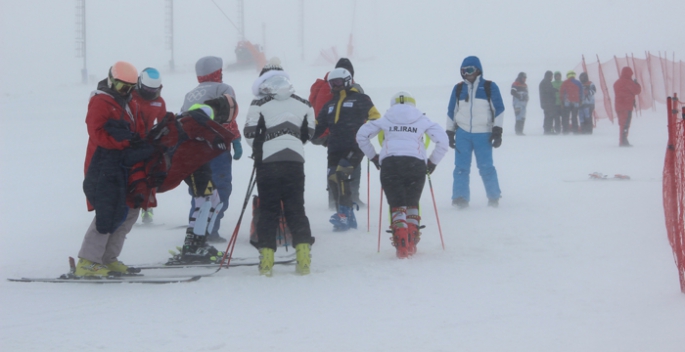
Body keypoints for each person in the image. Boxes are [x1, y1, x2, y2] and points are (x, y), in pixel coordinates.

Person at [76, 61, 155, 276]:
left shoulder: (131, 103)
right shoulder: (101, 101)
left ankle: (108, 258)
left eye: (131, 88)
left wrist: (141, 143)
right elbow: (97, 133)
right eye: (122, 87)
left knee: (128, 210)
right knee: (108, 210)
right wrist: (125, 143)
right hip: (103, 165)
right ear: (111, 81)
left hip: (125, 164)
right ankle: (87, 261)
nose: (127, 92)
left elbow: (138, 130)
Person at [244, 58, 316, 276]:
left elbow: (249, 134)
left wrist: (264, 146)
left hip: (268, 164)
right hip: (295, 162)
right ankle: (303, 257)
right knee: (296, 209)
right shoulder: (304, 103)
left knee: (268, 211)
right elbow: (309, 134)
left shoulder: (259, 104)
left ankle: (266, 262)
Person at [356, 92, 449, 258]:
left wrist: (374, 157)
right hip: (416, 164)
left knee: (397, 204)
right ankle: (412, 238)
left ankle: (401, 242)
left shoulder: (385, 119)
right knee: (412, 203)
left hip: (391, 164)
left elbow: (361, 135)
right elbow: (443, 140)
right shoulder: (422, 120)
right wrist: (432, 162)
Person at [181, 56, 242, 243]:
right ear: (216, 72)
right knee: (220, 189)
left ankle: (196, 230)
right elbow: (228, 117)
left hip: (193, 151)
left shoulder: (190, 95)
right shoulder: (222, 88)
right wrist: (236, 140)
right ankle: (210, 230)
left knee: (200, 191)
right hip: (217, 149)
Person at [312, 67, 380, 231]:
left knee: (341, 174)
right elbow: (317, 128)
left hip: (354, 146)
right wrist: (304, 132)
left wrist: (363, 137)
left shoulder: (360, 99)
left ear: (348, 81)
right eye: (331, 84)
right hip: (334, 148)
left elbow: (376, 119)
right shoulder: (330, 104)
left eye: (337, 82)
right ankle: (344, 215)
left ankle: (345, 214)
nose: (335, 87)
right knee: (333, 178)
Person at [175, 95, 239, 264]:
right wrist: (214, 138)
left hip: (197, 162)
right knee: (203, 200)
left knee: (214, 198)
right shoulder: (205, 111)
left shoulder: (203, 112)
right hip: (190, 163)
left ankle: (200, 241)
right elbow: (193, 126)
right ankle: (192, 245)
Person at [445, 56, 505, 209]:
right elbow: (451, 111)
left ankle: (493, 197)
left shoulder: (489, 87)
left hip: (483, 133)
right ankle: (460, 198)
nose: (467, 74)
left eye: (470, 70)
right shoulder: (458, 89)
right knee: (460, 167)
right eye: (463, 71)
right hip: (463, 134)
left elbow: (499, 109)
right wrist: (450, 132)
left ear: (478, 70)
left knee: (486, 167)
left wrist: (497, 130)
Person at [309, 58, 366, 209]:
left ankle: (334, 200)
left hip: (327, 135)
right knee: (352, 164)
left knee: (333, 167)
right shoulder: (352, 87)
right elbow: (362, 114)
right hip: (346, 133)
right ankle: (353, 197)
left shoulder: (324, 85)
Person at [131, 67, 166, 224]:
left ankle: (148, 208)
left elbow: (164, 124)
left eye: (153, 90)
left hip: (149, 144)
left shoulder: (159, 102)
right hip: (130, 142)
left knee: (148, 176)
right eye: (146, 89)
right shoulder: (130, 97)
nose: (149, 93)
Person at [613, 66, 641, 146]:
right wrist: (636, 83)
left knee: (622, 123)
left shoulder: (617, 82)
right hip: (626, 105)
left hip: (618, 105)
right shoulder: (629, 82)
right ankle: (623, 141)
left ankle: (623, 140)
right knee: (625, 123)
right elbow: (637, 91)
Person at [539, 70, 557, 135]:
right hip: (548, 103)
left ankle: (547, 129)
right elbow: (549, 91)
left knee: (547, 116)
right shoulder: (546, 82)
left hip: (545, 103)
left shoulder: (544, 82)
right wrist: (555, 90)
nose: (552, 77)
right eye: (551, 76)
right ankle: (548, 130)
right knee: (549, 117)